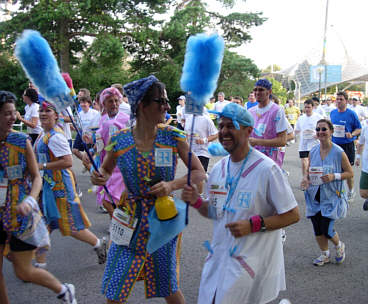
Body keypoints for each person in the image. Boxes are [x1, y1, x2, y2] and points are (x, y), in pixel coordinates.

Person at [91, 75, 205, 304]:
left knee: (167, 285)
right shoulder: (120, 140)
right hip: (129, 221)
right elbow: (104, 170)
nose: (167, 106)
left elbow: (199, 172)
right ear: (142, 105)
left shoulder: (172, 136)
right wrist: (98, 177)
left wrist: (171, 185)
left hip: (162, 220)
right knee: (116, 284)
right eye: (160, 101)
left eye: (166, 101)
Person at [182, 103, 300, 304]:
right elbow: (213, 211)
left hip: (250, 263)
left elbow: (292, 214)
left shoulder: (267, 169)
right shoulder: (219, 169)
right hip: (219, 258)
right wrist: (196, 202)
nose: (224, 131)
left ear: (248, 131)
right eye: (221, 126)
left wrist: (253, 224)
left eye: (231, 126)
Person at [0, 91, 77, 304]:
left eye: (13, 112)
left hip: (19, 215)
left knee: (23, 272)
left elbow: (36, 177)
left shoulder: (20, 141)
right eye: (6, 113)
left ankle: (63, 290)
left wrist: (31, 199)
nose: (12, 118)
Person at [34, 101, 107, 267]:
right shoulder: (43, 134)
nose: (43, 113)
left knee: (72, 226)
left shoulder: (56, 136)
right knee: (45, 222)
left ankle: (98, 244)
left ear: (56, 115)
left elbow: (67, 162)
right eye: (41, 111)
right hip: (49, 186)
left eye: (48, 110)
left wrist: (42, 166)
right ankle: (39, 263)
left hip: (61, 187)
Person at [301, 119, 352, 266]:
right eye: (318, 129)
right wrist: (305, 179)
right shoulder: (314, 150)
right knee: (317, 227)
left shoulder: (338, 152)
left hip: (331, 195)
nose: (320, 132)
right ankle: (324, 254)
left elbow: (349, 173)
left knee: (327, 229)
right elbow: (309, 170)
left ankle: (339, 245)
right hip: (314, 195)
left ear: (331, 131)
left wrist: (333, 176)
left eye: (324, 129)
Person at [248, 79, 288, 167]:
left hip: (270, 161)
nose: (257, 92)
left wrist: (258, 142)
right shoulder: (250, 112)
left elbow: (282, 140)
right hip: (252, 160)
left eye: (261, 90)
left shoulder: (277, 111)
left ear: (269, 92)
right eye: (255, 90)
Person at [330, 91, 361, 201]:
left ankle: (351, 191)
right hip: (334, 145)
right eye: (337, 99)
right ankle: (339, 192)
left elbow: (359, 128)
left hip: (347, 145)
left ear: (346, 101)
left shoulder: (351, 114)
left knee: (348, 171)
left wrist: (351, 134)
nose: (338, 101)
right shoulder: (332, 113)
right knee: (335, 170)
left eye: (341, 99)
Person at [294, 99, 323, 174]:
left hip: (314, 143)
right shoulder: (301, 118)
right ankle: (305, 179)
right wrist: (290, 137)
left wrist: (319, 135)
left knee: (313, 163)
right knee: (304, 162)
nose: (307, 109)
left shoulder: (318, 117)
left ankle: (314, 179)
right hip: (303, 143)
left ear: (313, 107)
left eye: (309, 107)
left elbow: (324, 129)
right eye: (305, 107)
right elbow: (296, 130)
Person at [72, 95, 101, 161]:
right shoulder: (79, 114)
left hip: (92, 136)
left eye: (84, 102)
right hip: (82, 134)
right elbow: (78, 126)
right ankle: (86, 161)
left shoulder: (95, 113)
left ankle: (89, 163)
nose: (82, 104)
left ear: (89, 103)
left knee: (91, 155)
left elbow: (98, 126)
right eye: (81, 103)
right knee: (74, 150)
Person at [355, 122, 368, 211]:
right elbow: (360, 143)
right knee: (363, 193)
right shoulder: (365, 128)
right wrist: (358, 157)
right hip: (366, 167)